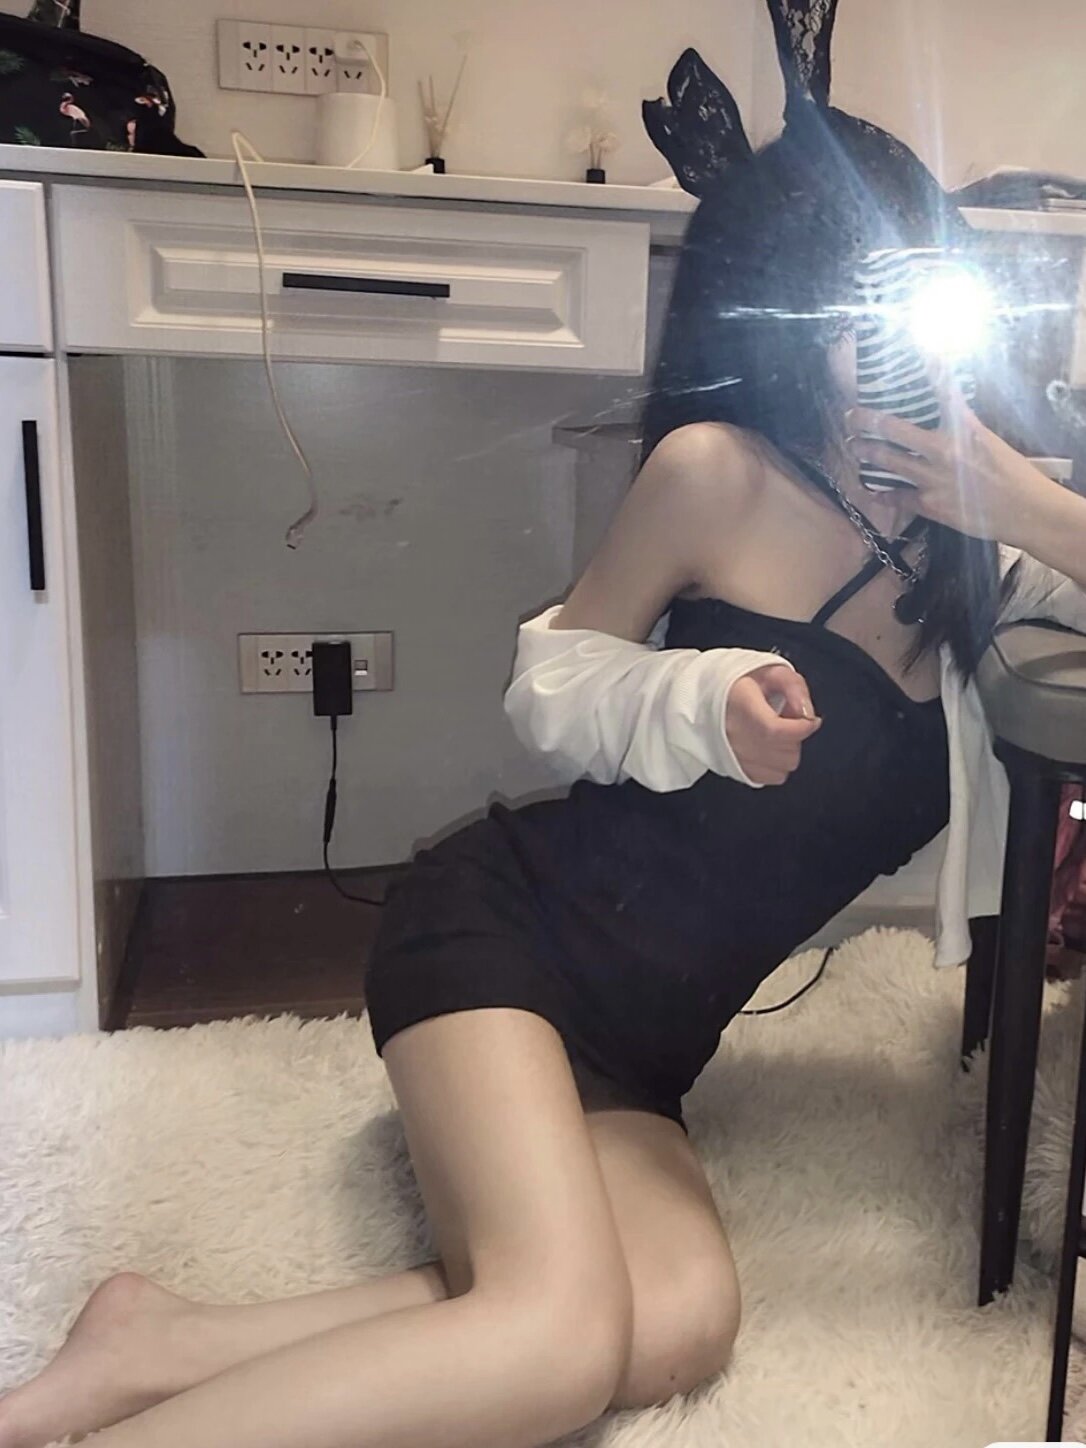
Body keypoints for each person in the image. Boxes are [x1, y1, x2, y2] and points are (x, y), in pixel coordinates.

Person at [3, 6, 1086, 1447]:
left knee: (675, 1326)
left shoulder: (978, 543)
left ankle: (160, 1343)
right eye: (853, 303)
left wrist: (1026, 502)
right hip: (506, 941)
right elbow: (551, 682)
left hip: (647, 1040)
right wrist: (699, 701)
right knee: (560, 1344)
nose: (882, 342)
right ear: (782, 306)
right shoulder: (717, 473)